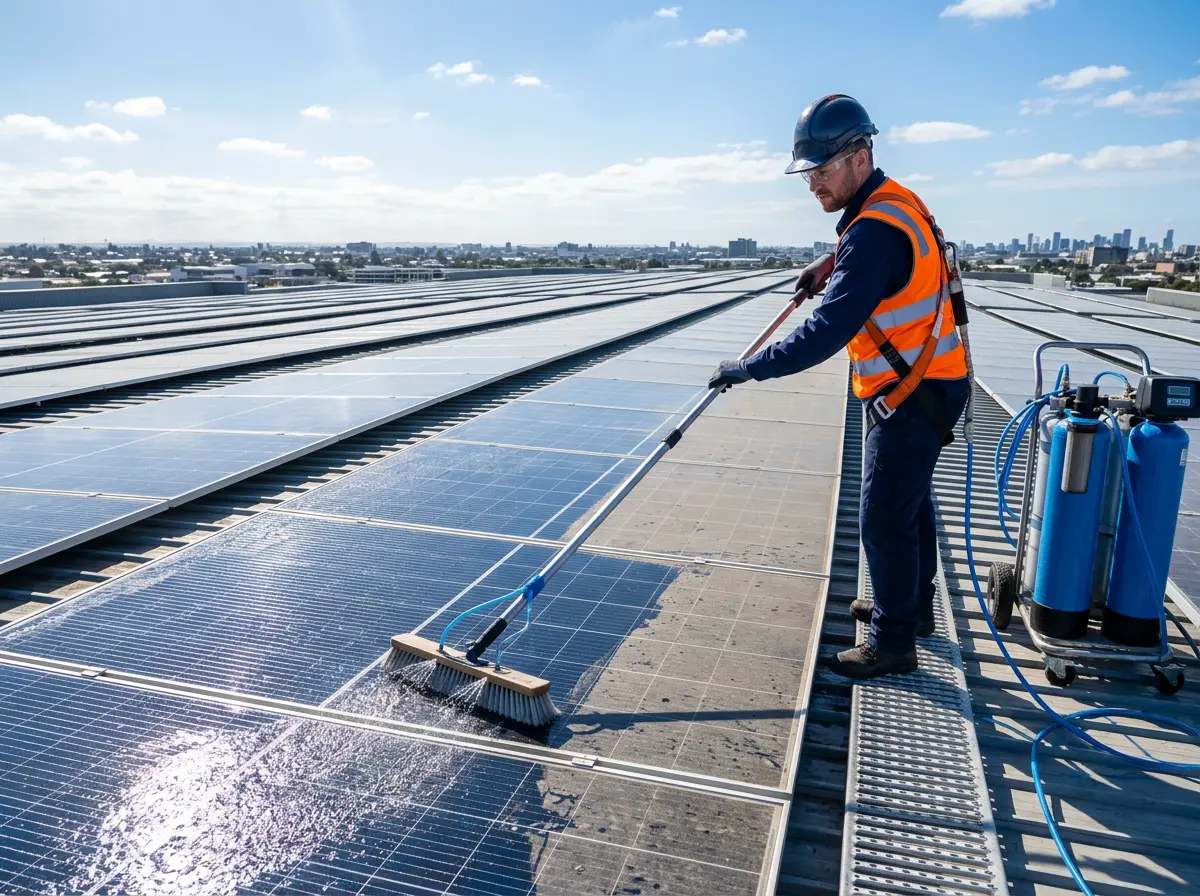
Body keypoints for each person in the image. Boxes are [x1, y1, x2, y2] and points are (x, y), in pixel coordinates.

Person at [708, 94, 970, 680]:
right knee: (908, 507)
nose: (812, 187)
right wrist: (833, 263)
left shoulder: (873, 230)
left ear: (859, 155)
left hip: (910, 394)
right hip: (930, 385)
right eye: (808, 174)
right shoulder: (891, 202)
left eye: (821, 172)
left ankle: (893, 641)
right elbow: (885, 259)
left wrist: (749, 367)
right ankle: (910, 609)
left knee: (883, 517)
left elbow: (828, 330)